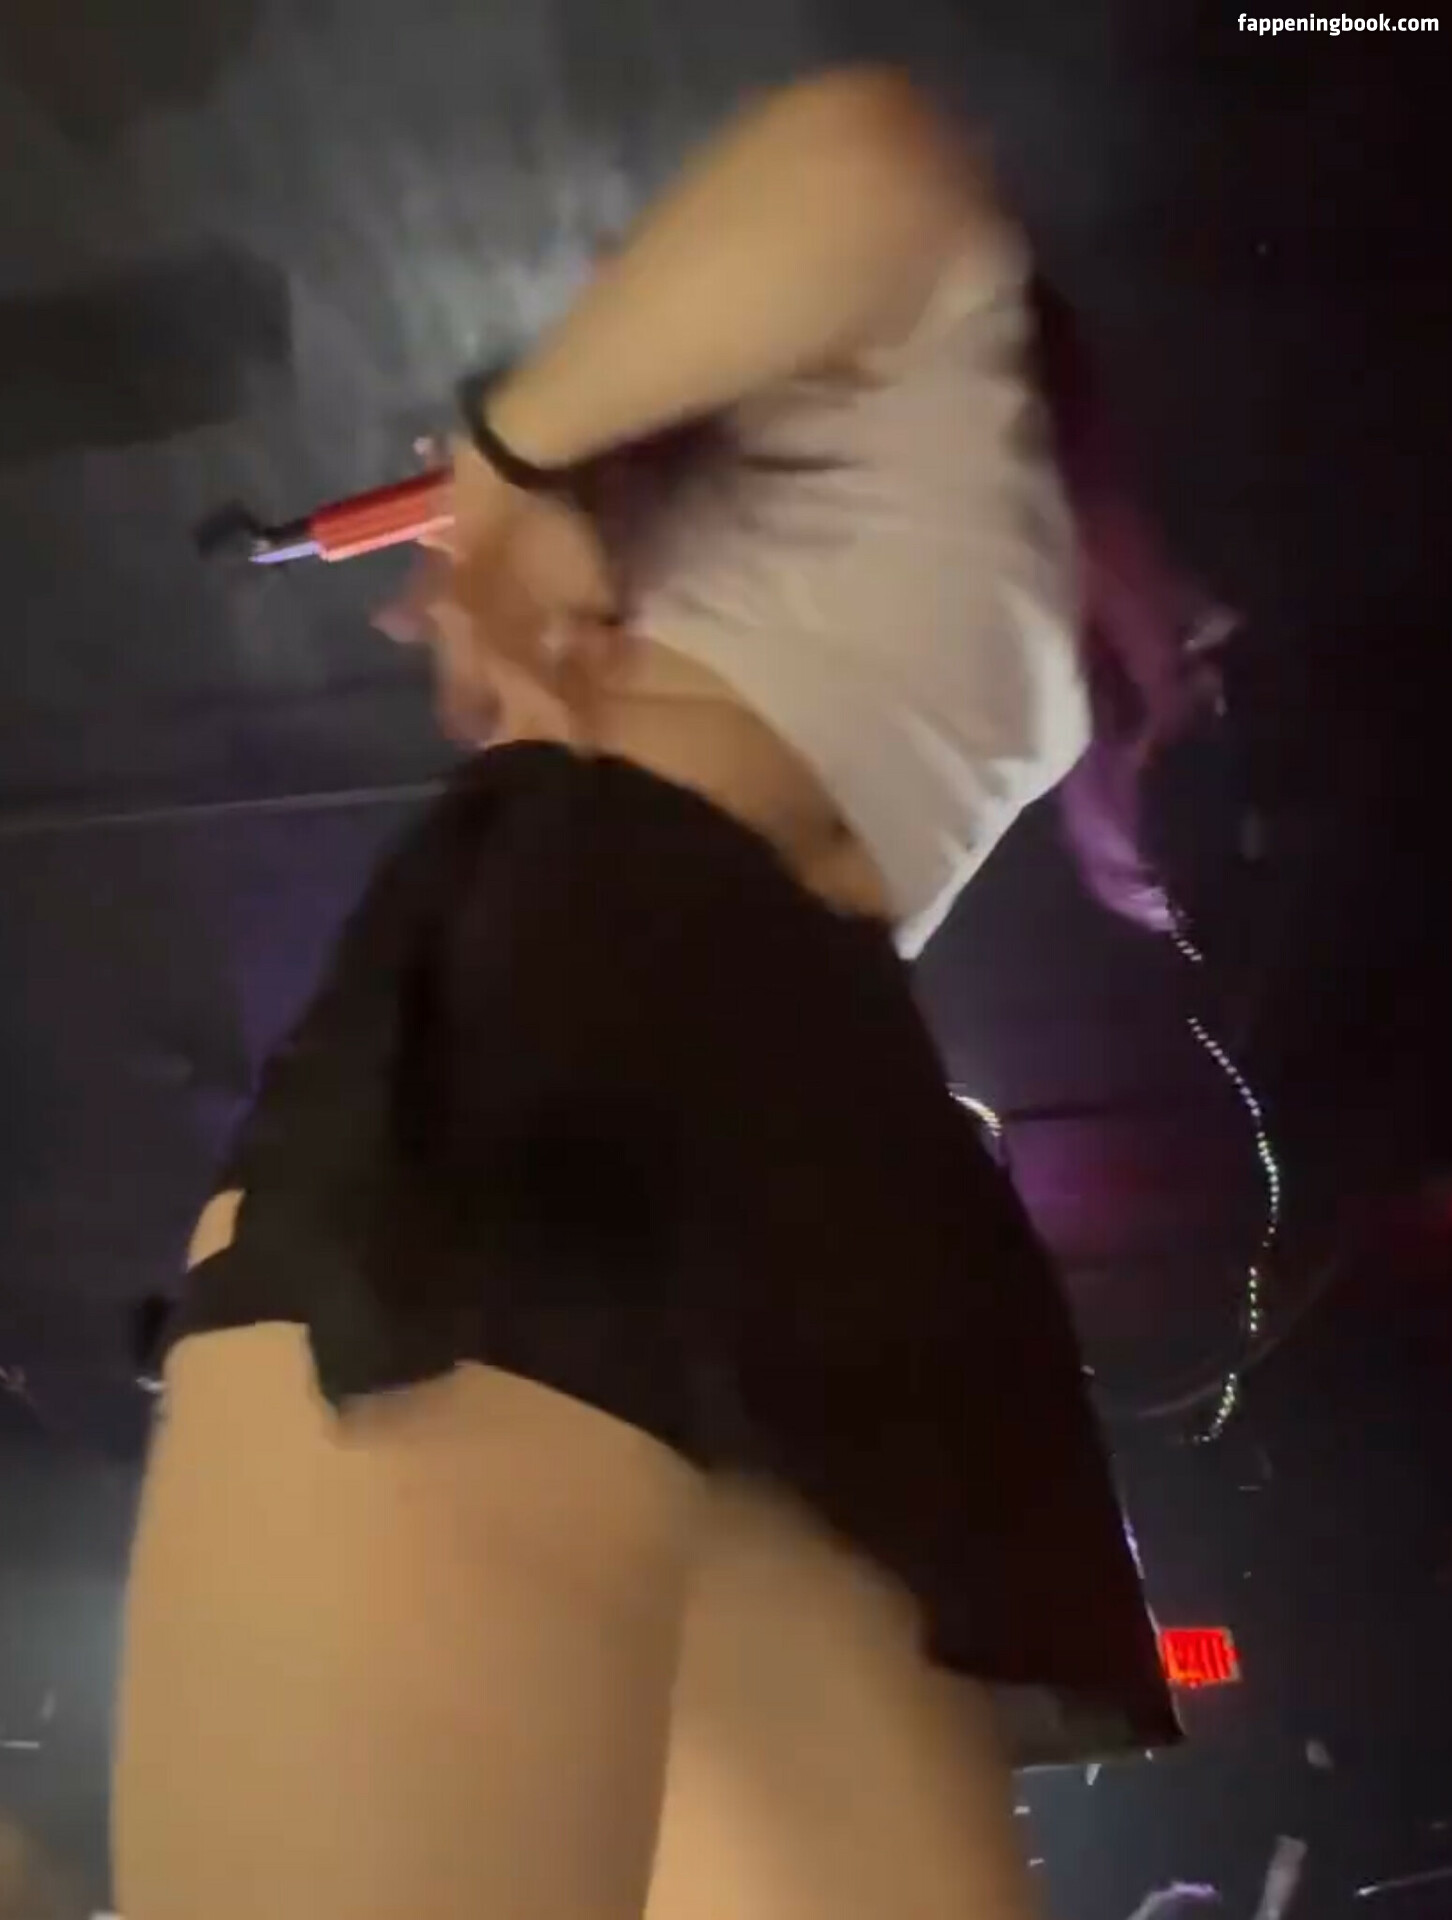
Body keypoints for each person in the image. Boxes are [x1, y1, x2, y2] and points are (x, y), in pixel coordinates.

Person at [116, 68, 1181, 1920]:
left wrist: (526, 486)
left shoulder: (939, 425)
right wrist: (522, 466)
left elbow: (853, 172)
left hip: (816, 1125)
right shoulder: (860, 404)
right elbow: (857, 154)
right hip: (611, 1020)